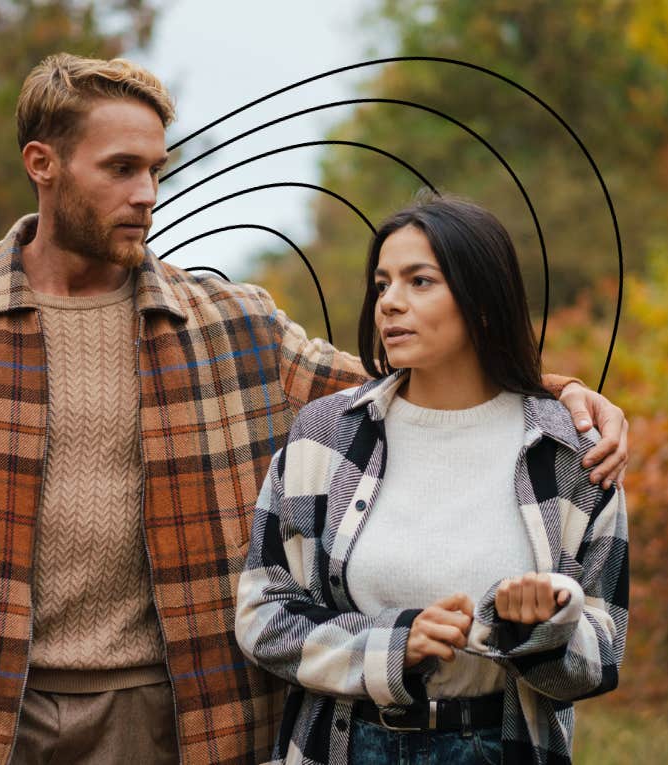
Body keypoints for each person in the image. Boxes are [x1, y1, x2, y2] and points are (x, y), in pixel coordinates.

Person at [0, 55, 630, 765]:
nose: (148, 193)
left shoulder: (232, 324)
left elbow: (409, 388)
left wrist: (553, 391)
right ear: (42, 163)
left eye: (157, 169)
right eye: (121, 168)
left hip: (185, 717)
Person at [235, 196, 629, 765]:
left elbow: (602, 659)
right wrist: (393, 648)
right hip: (342, 746)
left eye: (420, 281)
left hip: (503, 746)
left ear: (483, 301)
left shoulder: (571, 454)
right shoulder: (326, 436)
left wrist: (535, 630)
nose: (390, 302)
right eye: (382, 283)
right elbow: (264, 616)